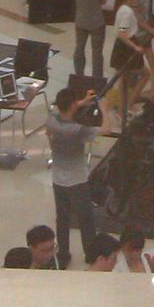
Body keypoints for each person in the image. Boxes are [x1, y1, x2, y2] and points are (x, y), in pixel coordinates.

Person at [46, 86, 101, 270]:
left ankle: (63, 254)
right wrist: (105, 106)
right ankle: (91, 254)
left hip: (58, 180)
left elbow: (61, 109)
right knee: (86, 219)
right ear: (72, 105)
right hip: (77, 181)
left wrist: (83, 102)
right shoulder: (78, 130)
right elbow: (106, 129)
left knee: (62, 219)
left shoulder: (51, 120)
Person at [72, 0, 109, 81]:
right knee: (97, 53)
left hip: (80, 20)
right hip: (96, 21)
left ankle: (79, 76)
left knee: (79, 49)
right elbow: (102, 1)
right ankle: (97, 80)